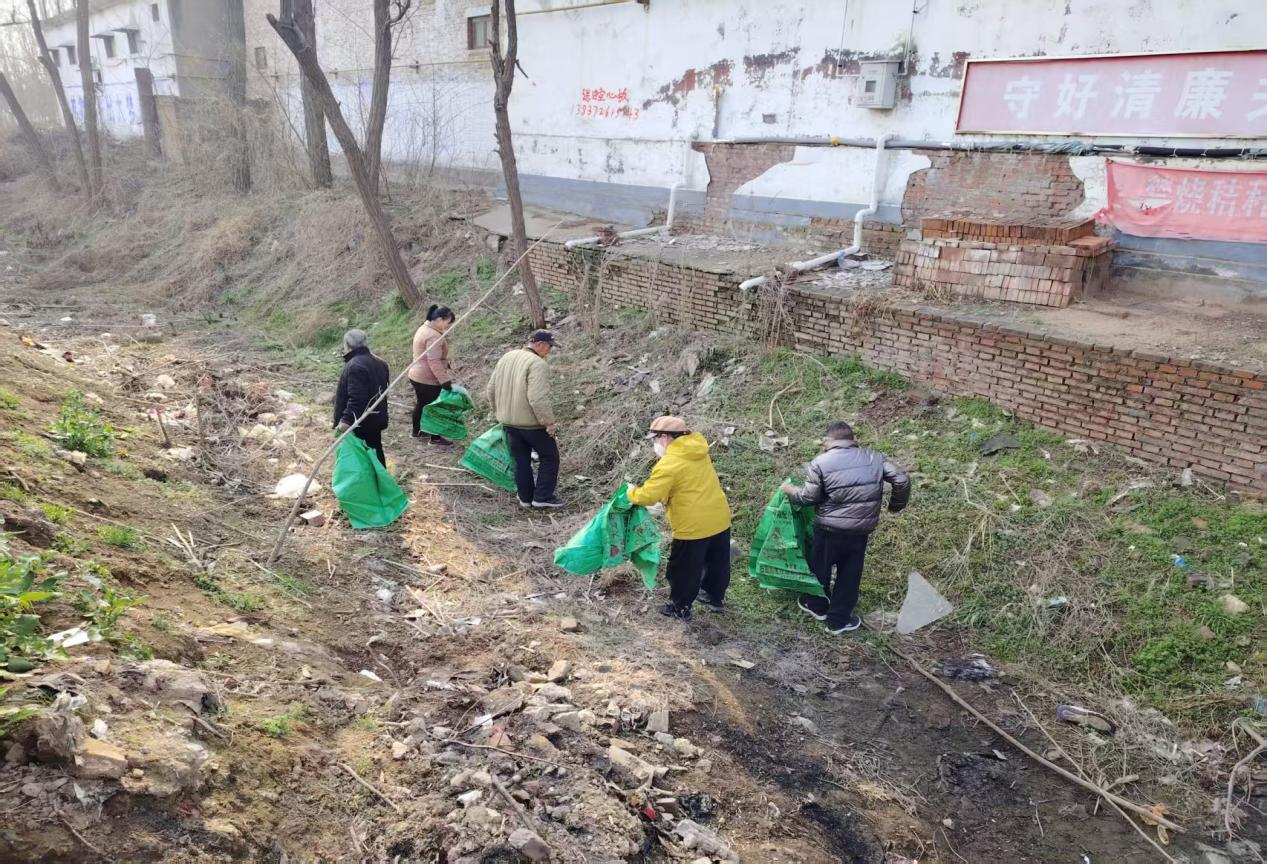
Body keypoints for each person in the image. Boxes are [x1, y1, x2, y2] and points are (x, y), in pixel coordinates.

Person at [782, 420, 910, 634]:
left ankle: (816, 605)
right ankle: (838, 621)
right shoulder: (874, 457)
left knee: (820, 567)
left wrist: (790, 491)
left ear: (827, 440)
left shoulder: (821, 462)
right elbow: (902, 480)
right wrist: (895, 506)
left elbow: (809, 497)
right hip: (860, 531)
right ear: (852, 440)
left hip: (829, 529)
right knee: (850, 574)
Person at [627, 416, 732, 621]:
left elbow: (648, 496)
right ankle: (714, 597)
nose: (655, 444)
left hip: (693, 525)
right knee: (717, 562)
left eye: (656, 439)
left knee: (684, 568)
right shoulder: (699, 450)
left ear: (666, 437)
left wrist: (630, 492)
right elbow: (687, 483)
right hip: (719, 517)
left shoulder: (670, 463)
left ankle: (680, 607)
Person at [485, 331, 563, 509]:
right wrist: (548, 422)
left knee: (521, 460)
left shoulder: (507, 356)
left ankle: (525, 498)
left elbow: (490, 389)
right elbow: (537, 398)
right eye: (550, 347)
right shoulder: (538, 364)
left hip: (508, 423)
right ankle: (543, 496)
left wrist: (499, 412)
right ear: (541, 345)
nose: (549, 351)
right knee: (550, 457)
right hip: (531, 424)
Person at [333, 329, 391, 467]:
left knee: (361, 457)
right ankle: (381, 482)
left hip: (361, 422)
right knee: (375, 450)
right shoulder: (379, 363)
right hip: (375, 417)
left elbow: (357, 398)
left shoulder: (355, 366)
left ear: (347, 345)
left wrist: (346, 421)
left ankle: (370, 484)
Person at [409, 304, 457, 446]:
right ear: (441, 320)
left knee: (422, 404)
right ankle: (435, 438)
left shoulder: (424, 328)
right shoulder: (433, 336)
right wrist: (444, 380)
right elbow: (433, 361)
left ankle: (417, 431)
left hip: (417, 374)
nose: (447, 327)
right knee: (434, 408)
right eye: (447, 324)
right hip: (427, 378)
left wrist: (445, 363)